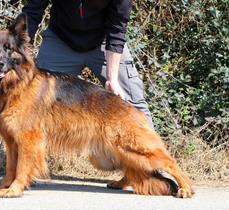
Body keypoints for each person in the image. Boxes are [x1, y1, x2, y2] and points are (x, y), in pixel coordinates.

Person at [22, 0, 154, 128]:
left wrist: (112, 78)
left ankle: (153, 150)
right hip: (60, 39)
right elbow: (33, 11)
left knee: (133, 104)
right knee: (35, 100)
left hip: (105, 42)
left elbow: (117, 28)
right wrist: (16, 51)